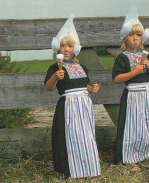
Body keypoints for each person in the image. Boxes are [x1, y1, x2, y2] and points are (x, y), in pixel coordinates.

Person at [112, 6, 149, 172]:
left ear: (142, 37)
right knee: (133, 126)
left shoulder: (146, 55)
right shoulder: (122, 57)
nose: (135, 38)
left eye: (138, 35)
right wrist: (135, 72)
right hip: (132, 95)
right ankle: (130, 158)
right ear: (125, 38)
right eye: (131, 35)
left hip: (147, 94)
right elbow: (116, 79)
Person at [44, 15, 101, 179]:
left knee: (85, 136)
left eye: (70, 45)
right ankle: (66, 170)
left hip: (83, 106)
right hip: (67, 105)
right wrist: (56, 76)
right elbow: (49, 87)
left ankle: (86, 166)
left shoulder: (81, 67)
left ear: (75, 48)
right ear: (58, 48)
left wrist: (92, 88)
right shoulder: (55, 67)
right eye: (63, 45)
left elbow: (85, 86)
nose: (66, 49)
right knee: (66, 136)